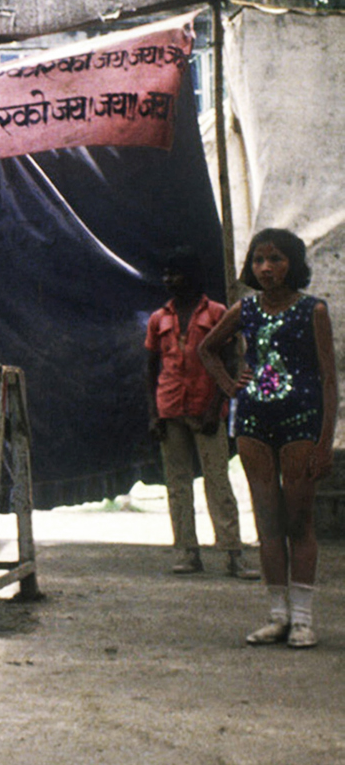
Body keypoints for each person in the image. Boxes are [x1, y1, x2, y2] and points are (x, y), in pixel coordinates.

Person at [199, 228, 337, 648]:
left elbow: (330, 381)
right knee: (268, 520)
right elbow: (207, 348)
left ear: (292, 263)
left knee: (299, 518)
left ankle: (303, 619)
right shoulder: (245, 309)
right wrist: (228, 384)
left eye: (275, 259)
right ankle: (277, 616)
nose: (266, 268)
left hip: (301, 420)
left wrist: (325, 440)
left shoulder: (313, 311)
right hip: (253, 422)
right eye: (259, 260)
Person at [143, 246, 256, 578]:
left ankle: (233, 553)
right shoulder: (159, 318)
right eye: (165, 274)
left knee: (217, 482)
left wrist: (216, 406)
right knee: (177, 484)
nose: (168, 280)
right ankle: (187, 552)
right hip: (170, 409)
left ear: (191, 276)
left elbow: (231, 361)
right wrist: (154, 414)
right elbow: (150, 369)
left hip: (207, 410)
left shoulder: (218, 313)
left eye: (174, 273)